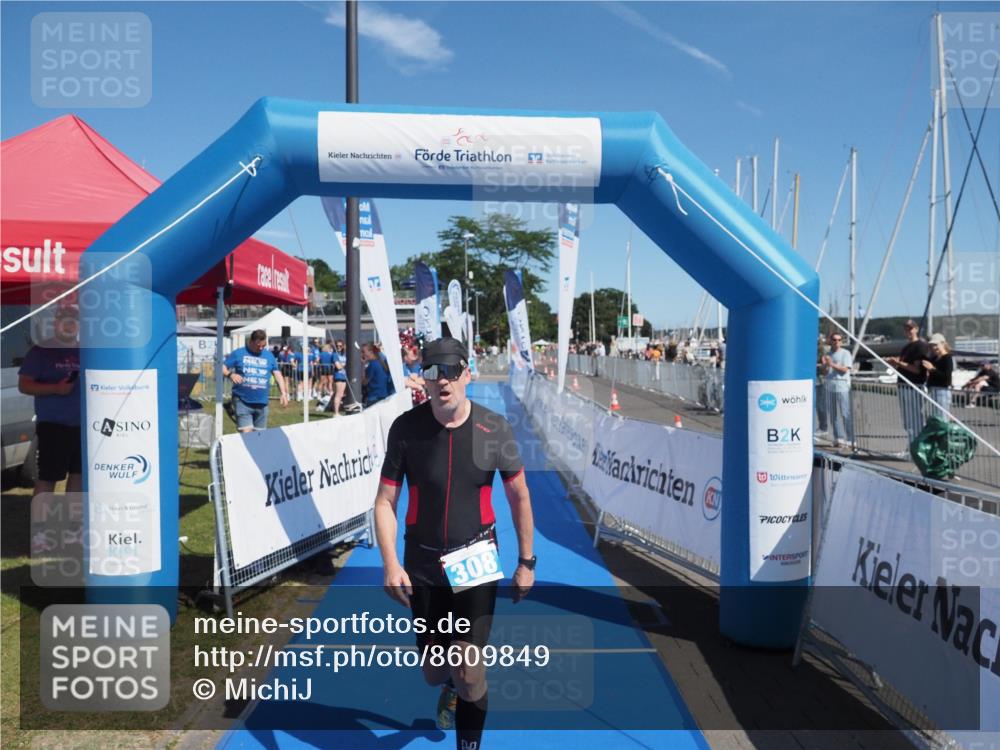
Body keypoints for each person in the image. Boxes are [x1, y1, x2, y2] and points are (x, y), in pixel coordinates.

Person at [373, 336, 535, 750]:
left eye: (450, 371)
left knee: (468, 668)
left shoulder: (493, 427)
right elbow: (385, 502)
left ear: (467, 374)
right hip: (423, 563)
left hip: (475, 558)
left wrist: (526, 561)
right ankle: (447, 687)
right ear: (422, 379)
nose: (442, 380)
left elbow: (519, 496)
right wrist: (391, 563)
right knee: (433, 670)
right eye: (433, 372)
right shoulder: (406, 429)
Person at [18, 305, 82, 498]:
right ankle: (41, 527)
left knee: (79, 476)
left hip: (83, 426)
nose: (69, 326)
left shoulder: (86, 351)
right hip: (54, 426)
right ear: (55, 324)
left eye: (73, 322)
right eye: (65, 322)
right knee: (48, 478)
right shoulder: (41, 351)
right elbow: (24, 385)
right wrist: (56, 388)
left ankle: (72, 525)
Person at [222, 329, 289, 432]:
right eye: (258, 346)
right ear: (251, 342)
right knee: (247, 435)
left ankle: (229, 409)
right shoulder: (239, 353)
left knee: (259, 437)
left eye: (264, 345)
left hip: (262, 403)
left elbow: (277, 373)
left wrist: (283, 393)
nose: (261, 348)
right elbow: (221, 367)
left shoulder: (269, 355)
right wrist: (230, 374)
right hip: (242, 400)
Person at [885, 319, 930, 444]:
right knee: (907, 420)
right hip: (903, 386)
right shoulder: (906, 347)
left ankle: (917, 446)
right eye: (906, 329)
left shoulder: (921, 346)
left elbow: (917, 369)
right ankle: (911, 445)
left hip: (914, 386)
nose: (908, 331)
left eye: (910, 328)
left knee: (915, 419)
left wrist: (898, 362)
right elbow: (904, 364)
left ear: (916, 329)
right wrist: (895, 363)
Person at [822, 333, 854, 448]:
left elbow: (845, 370)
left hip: (842, 387)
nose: (837, 341)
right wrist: (825, 365)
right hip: (830, 387)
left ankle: (850, 439)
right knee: (833, 415)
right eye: (834, 340)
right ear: (830, 341)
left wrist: (831, 364)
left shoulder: (845, 353)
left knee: (845, 413)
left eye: (839, 339)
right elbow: (825, 372)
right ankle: (838, 438)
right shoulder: (828, 354)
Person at [923, 333, 954, 417]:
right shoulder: (935, 358)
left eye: (936, 345)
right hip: (934, 390)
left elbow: (946, 377)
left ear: (943, 344)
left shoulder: (947, 358)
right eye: (932, 346)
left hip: (942, 391)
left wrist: (932, 369)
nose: (934, 348)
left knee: (942, 418)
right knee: (935, 417)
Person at [361, 342, 393, 407]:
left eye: (363, 352)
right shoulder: (381, 363)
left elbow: (364, 382)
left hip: (374, 397)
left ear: (371, 352)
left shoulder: (372, 365)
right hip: (384, 396)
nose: (362, 354)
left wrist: (362, 366)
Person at [815, 336, 829, 435]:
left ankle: (823, 427)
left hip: (819, 380)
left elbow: (825, 366)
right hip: (811, 380)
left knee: (820, 405)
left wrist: (817, 365)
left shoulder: (821, 352)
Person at [331, 340, 348, 415]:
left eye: (340, 346)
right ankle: (336, 412)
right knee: (338, 394)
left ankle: (337, 410)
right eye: (337, 346)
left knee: (341, 394)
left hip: (344, 376)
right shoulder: (335, 354)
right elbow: (338, 366)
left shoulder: (344, 355)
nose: (339, 347)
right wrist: (346, 365)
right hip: (338, 376)